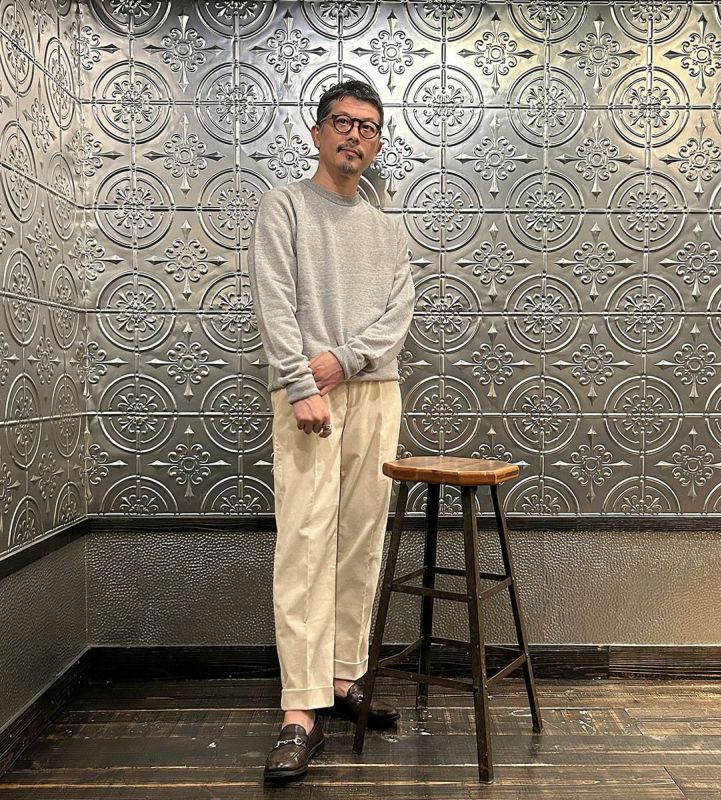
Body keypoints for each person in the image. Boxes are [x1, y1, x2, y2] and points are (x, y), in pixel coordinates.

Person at [247, 80, 416, 782]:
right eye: (343, 122)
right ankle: (300, 707)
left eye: (368, 127)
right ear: (317, 133)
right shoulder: (284, 205)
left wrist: (344, 361)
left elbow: (399, 313)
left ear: (378, 143)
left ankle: (344, 677)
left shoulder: (387, 227)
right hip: (308, 399)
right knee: (306, 542)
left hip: (374, 392)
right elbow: (273, 298)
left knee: (362, 539)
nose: (355, 135)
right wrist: (300, 382)